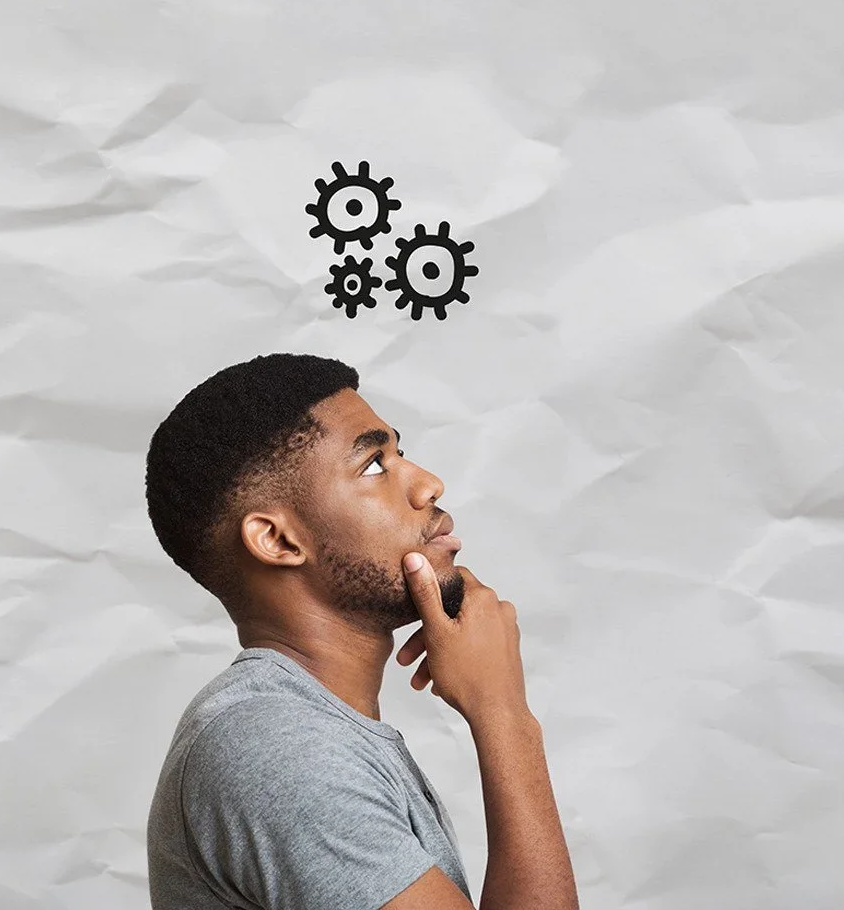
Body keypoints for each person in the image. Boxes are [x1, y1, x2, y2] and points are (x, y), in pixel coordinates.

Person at [142, 353, 579, 910]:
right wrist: (504, 716)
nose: (428, 484)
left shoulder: (307, 728)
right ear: (278, 541)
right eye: (374, 464)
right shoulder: (278, 746)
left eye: (401, 451)